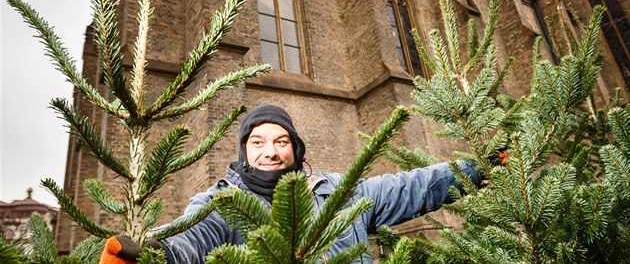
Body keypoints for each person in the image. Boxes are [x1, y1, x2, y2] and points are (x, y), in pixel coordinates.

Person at [100, 104, 497, 263]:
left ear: (296, 149)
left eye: (280, 141)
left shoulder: (339, 192)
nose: (269, 151)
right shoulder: (222, 202)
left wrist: (476, 169)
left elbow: (411, 188)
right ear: (244, 151)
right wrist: (154, 254)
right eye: (257, 142)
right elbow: (192, 239)